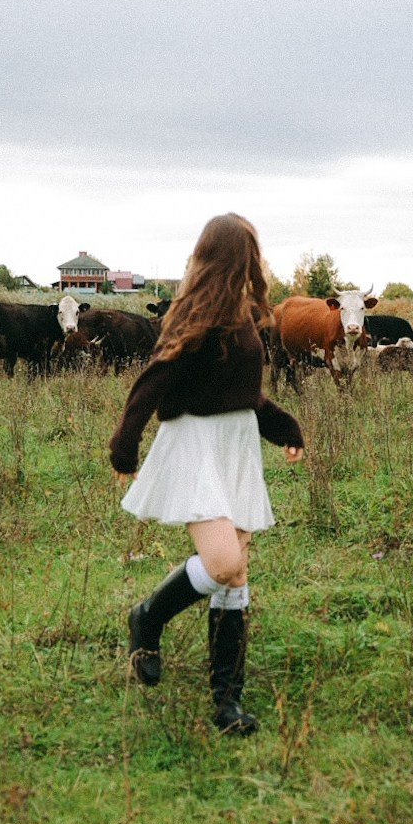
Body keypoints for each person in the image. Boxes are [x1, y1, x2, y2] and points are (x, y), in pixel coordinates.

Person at [109, 213, 304, 735]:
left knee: (236, 572)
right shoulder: (191, 314)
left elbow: (245, 395)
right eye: (249, 253)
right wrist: (124, 445)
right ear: (234, 256)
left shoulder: (243, 316)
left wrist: (284, 427)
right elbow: (153, 381)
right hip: (195, 443)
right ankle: (147, 617)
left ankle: (226, 704)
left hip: (236, 446)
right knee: (221, 562)